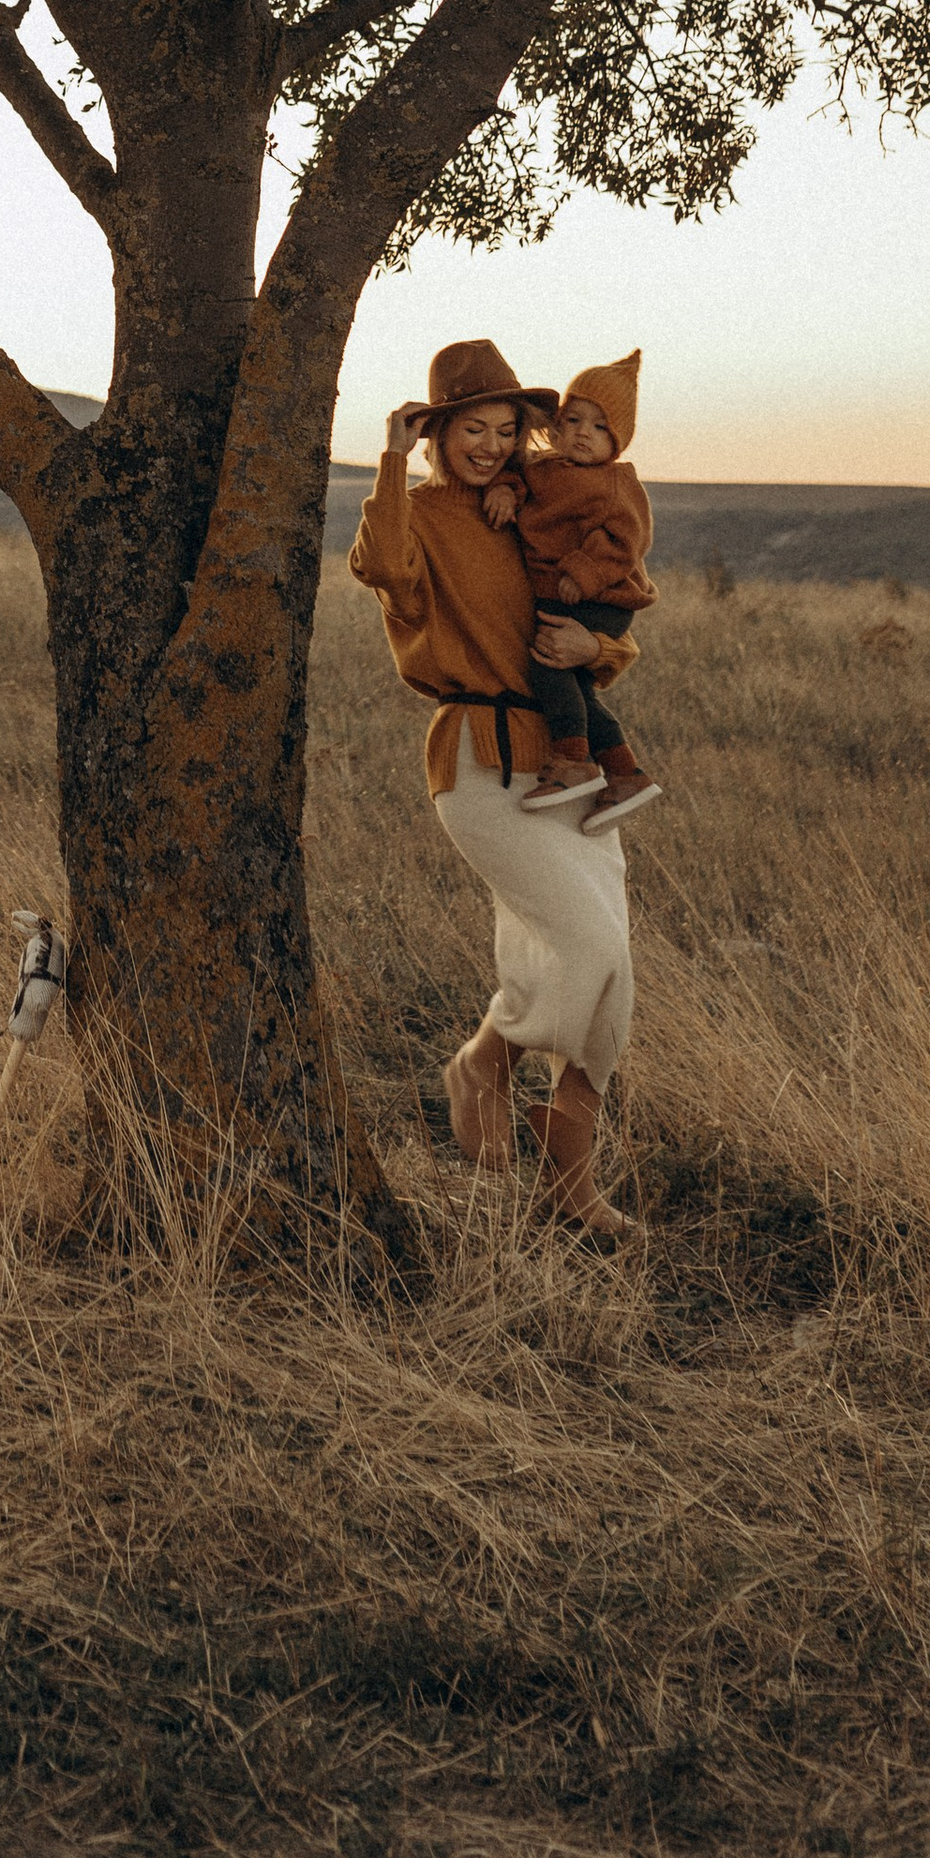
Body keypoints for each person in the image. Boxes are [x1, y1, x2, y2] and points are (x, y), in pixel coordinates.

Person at [348, 338, 642, 1244]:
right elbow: (382, 569)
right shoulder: (422, 511)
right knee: (585, 942)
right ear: (439, 431)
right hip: (477, 757)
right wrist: (393, 460)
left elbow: (609, 614)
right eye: (470, 427)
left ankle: (572, 1190)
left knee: (613, 968)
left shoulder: (537, 506)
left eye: (506, 428)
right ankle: (485, 1060)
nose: (489, 444)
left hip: (570, 758)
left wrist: (601, 651)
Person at [482, 353, 661, 831]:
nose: (583, 432)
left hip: (601, 599)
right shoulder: (544, 469)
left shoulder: (617, 484)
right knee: (577, 690)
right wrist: (504, 492)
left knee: (549, 667)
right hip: (565, 595)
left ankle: (574, 761)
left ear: (618, 440)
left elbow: (628, 541)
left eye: (600, 427)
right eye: (574, 420)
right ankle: (625, 773)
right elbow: (517, 480)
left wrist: (582, 571)